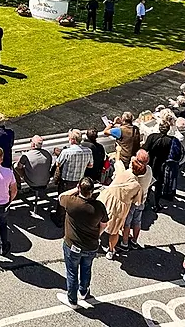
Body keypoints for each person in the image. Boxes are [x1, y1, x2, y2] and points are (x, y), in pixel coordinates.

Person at [56, 177, 108, 308]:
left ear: (79, 188)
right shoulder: (99, 207)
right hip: (91, 246)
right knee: (86, 269)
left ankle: (72, 300)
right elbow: (104, 224)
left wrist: (75, 189)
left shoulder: (71, 202)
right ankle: (83, 291)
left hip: (72, 245)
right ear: (92, 191)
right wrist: (98, 235)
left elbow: (61, 196)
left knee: (72, 272)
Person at [97, 161, 141, 260]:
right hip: (120, 208)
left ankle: (95, 242)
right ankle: (111, 250)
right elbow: (137, 201)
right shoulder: (137, 186)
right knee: (114, 231)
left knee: (98, 223)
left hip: (107, 199)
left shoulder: (122, 172)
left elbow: (117, 162)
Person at [53, 130, 94, 223]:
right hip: (79, 180)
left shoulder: (66, 152)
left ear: (72, 140)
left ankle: (59, 219)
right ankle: (71, 217)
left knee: (62, 200)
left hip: (66, 181)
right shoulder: (88, 151)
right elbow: (90, 165)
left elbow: (58, 164)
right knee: (75, 200)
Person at [15, 135, 53, 216]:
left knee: (15, 166)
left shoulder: (27, 155)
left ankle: (18, 183)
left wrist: (21, 158)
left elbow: (18, 166)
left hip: (32, 182)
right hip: (45, 181)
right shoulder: (47, 154)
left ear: (33, 144)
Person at [143, 123, 173, 211]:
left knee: (147, 182)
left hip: (150, 162)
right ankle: (156, 204)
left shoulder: (152, 136)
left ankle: (145, 199)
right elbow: (169, 154)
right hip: (161, 165)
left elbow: (145, 149)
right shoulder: (169, 140)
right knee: (158, 185)